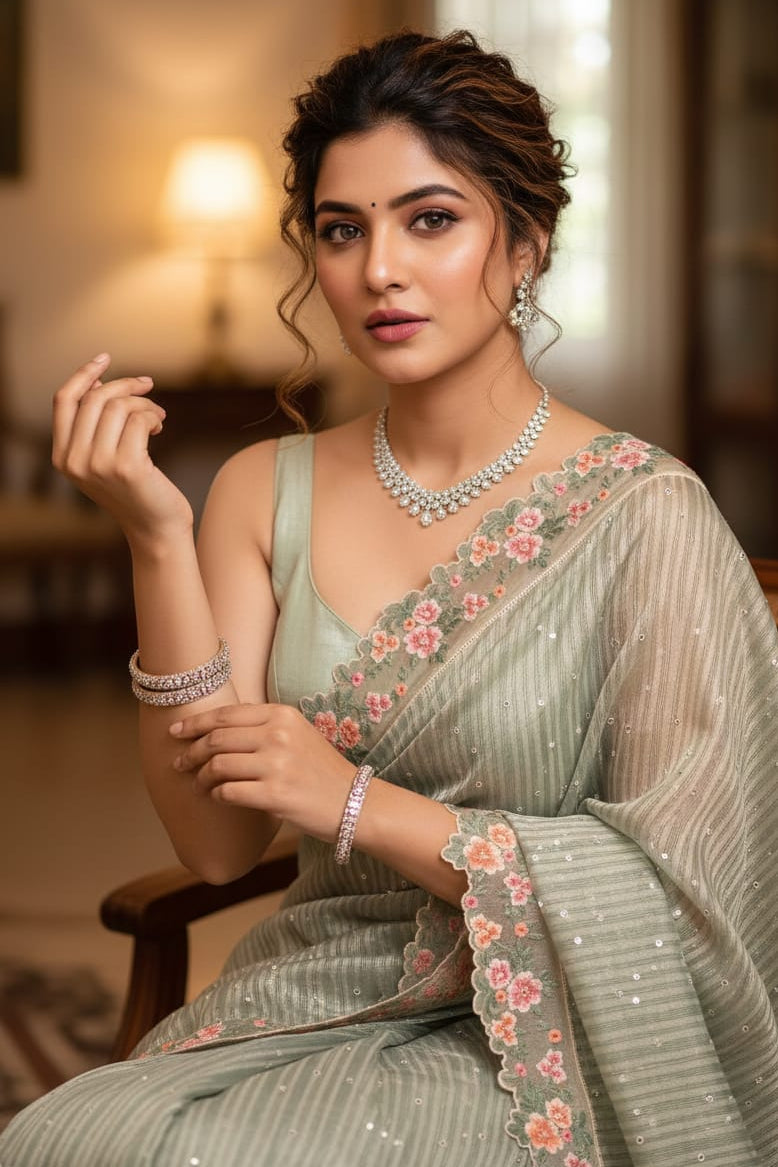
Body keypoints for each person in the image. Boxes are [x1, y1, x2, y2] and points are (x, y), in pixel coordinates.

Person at [1, 28, 776, 1167]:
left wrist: (354, 804)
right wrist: (157, 537)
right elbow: (218, 850)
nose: (379, 271)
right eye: (340, 229)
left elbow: (689, 893)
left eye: (431, 219)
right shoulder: (266, 490)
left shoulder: (643, 516)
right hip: (309, 995)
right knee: (65, 1140)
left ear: (524, 244)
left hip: (539, 1034)